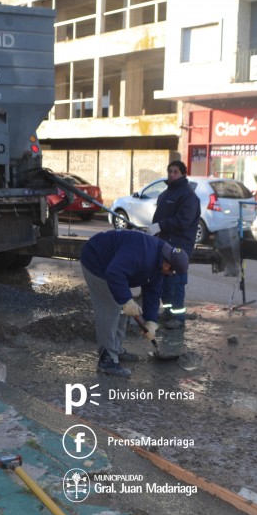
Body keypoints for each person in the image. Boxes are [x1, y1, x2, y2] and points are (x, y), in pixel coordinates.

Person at [80, 230, 190, 377]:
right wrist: (126, 300)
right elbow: (114, 273)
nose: (170, 274)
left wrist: (151, 321)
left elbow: (153, 293)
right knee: (110, 309)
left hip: (113, 267)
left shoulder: (160, 263)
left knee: (124, 311)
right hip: (97, 261)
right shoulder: (143, 253)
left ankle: (116, 349)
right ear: (167, 263)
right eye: (171, 271)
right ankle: (106, 359)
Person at [148, 160, 200, 330]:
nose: (171, 174)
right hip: (164, 242)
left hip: (180, 246)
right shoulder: (166, 194)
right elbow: (160, 217)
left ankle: (179, 318)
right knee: (164, 280)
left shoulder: (188, 196)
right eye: (170, 171)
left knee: (177, 281)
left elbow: (184, 221)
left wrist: (160, 226)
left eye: (175, 171)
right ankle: (169, 312)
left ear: (183, 174)